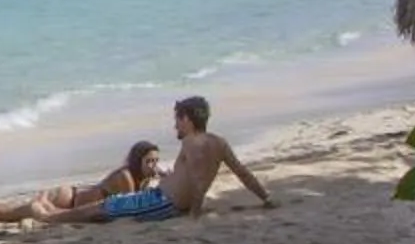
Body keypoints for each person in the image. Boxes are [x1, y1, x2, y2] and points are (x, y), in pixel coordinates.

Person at [49, 95, 272, 222]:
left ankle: (49, 218)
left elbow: (197, 178)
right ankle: (56, 214)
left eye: (178, 119)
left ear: (187, 120)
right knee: (104, 207)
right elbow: (242, 173)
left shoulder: (191, 143)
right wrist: (266, 198)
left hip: (160, 203)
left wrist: (195, 213)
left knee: (102, 208)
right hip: (163, 200)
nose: (175, 125)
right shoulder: (219, 142)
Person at [0, 140, 160, 229]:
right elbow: (129, 210)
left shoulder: (142, 178)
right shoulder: (126, 177)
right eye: (149, 161)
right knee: (9, 214)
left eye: (156, 161)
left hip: (71, 200)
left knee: (12, 209)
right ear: (137, 160)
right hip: (67, 199)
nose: (153, 165)